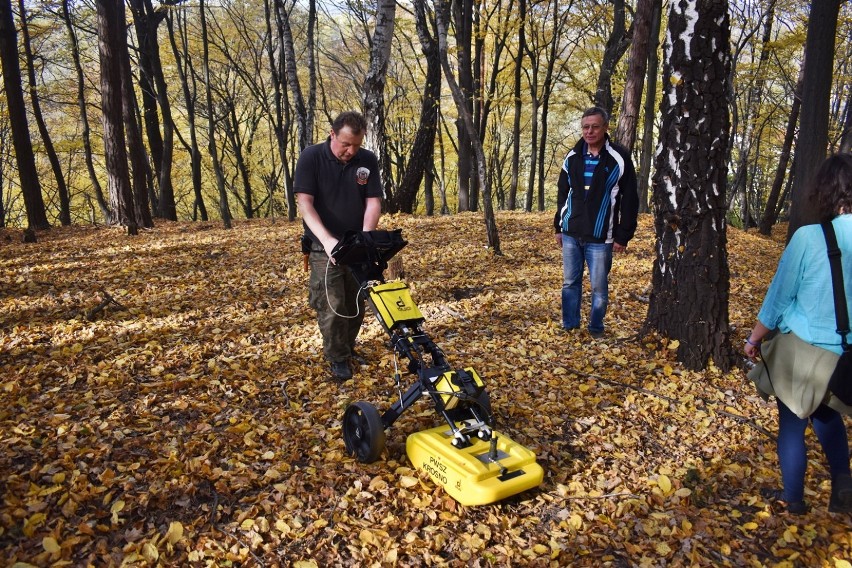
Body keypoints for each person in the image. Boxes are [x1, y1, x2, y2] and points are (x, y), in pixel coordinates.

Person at [744, 153, 852, 515]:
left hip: (803, 350)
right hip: (844, 355)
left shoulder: (809, 237)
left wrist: (754, 338)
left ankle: (794, 500)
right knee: (825, 414)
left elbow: (779, 295)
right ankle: (843, 485)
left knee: (792, 422)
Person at [295, 111, 383, 380]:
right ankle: (337, 357)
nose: (351, 150)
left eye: (356, 144)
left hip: (356, 245)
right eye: (345, 144)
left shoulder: (367, 161)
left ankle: (347, 347)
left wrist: (367, 237)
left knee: (355, 304)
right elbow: (305, 204)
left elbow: (373, 202)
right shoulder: (311, 157)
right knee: (332, 305)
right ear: (332, 134)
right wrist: (329, 241)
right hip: (324, 247)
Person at [553, 107, 638, 338]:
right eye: (585, 127)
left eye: (594, 126)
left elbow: (630, 200)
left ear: (605, 128)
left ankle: (596, 328)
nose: (589, 131)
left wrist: (623, 236)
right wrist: (559, 227)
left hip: (601, 237)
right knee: (570, 283)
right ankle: (570, 325)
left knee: (599, 287)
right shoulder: (572, 157)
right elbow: (563, 194)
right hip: (571, 232)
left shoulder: (618, 158)